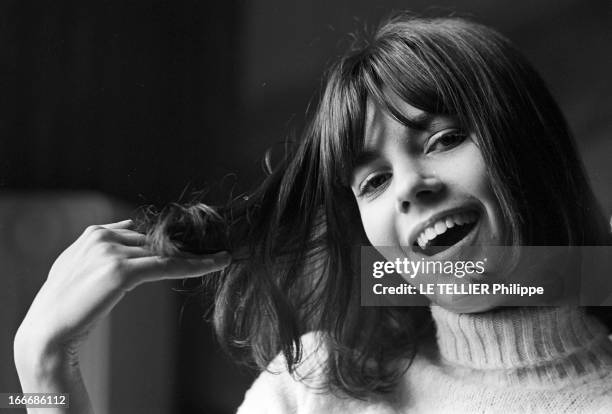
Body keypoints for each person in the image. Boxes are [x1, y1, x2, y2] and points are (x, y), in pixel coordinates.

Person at [14, 13, 612, 414]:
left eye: (441, 140)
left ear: (531, 148)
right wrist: (40, 374)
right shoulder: (313, 389)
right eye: (373, 180)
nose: (410, 187)